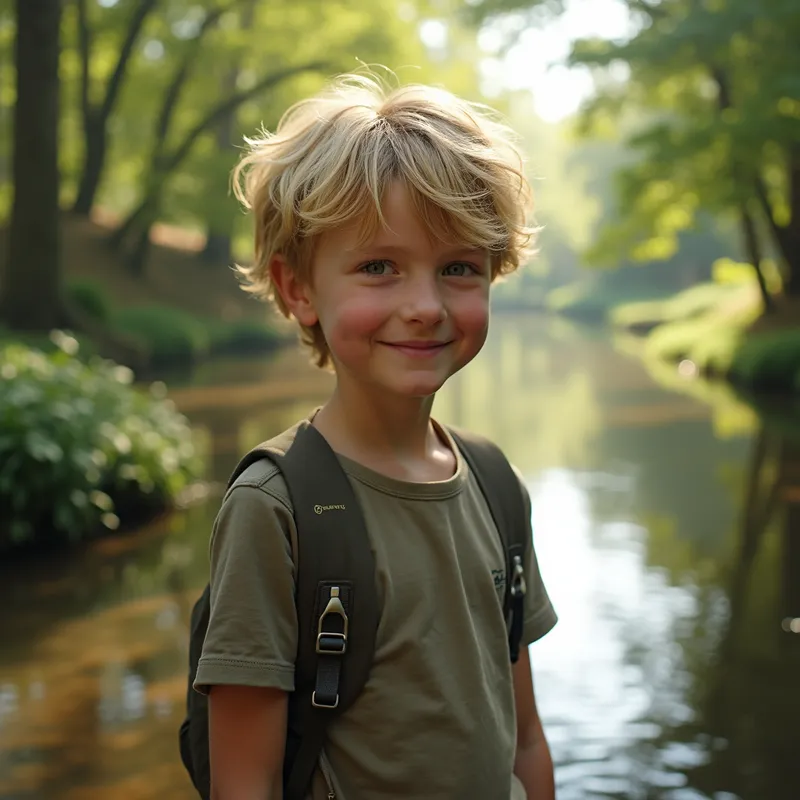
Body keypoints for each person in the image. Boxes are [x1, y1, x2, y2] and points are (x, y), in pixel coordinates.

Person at [193, 72, 558, 800]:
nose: (424, 306)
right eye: (379, 268)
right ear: (299, 290)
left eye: (458, 268)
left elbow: (523, 738)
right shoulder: (276, 507)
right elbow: (246, 779)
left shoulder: (493, 484)